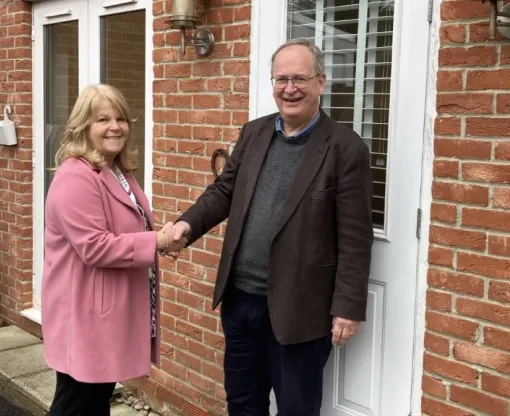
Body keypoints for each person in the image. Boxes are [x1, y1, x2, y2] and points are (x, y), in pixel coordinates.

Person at [169, 39, 374, 416]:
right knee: (243, 403)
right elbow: (225, 190)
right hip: (240, 300)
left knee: (297, 408)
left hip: (300, 308)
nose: (290, 88)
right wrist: (186, 225)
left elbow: (356, 238)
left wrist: (347, 307)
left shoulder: (346, 149)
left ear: (321, 83)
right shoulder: (254, 133)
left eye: (300, 78)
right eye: (281, 79)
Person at [41, 84, 177, 416]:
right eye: (102, 119)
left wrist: (159, 237)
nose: (115, 126)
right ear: (83, 126)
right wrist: (156, 242)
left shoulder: (115, 170)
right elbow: (95, 247)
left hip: (104, 315)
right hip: (84, 316)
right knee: (76, 404)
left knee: (95, 401)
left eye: (121, 118)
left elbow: (130, 227)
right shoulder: (76, 177)